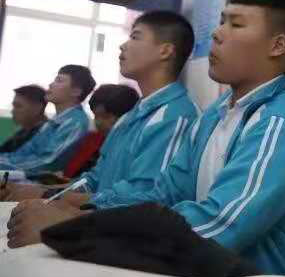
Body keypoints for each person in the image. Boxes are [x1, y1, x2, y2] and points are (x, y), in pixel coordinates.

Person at [7, 0, 285, 277]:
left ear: (277, 46)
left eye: (236, 24)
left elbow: (219, 227)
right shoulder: (215, 115)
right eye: (221, 21)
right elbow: (163, 193)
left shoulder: (284, 122)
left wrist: (75, 228)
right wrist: (80, 211)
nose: (217, 33)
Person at [3, 11, 199, 208]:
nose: (123, 45)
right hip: (96, 217)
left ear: (165, 51)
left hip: (116, 224)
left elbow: (146, 199)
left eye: (135, 37)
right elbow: (94, 179)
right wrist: (45, 193)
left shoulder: (175, 116)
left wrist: (54, 198)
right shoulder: (130, 116)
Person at [0, 65, 95, 176]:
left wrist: (4, 165)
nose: (51, 84)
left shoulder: (76, 123)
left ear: (76, 91)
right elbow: (23, 152)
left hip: (37, 182)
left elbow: (48, 163)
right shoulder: (53, 122)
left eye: (59, 80)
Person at [62, 84, 140, 179]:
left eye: (106, 116)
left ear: (126, 116)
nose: (98, 122)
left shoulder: (133, 146)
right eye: (95, 116)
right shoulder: (93, 140)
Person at [0, 85, 48, 153]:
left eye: (18, 106)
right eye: (13, 106)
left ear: (37, 108)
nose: (13, 111)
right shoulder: (23, 132)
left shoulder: (44, 135)